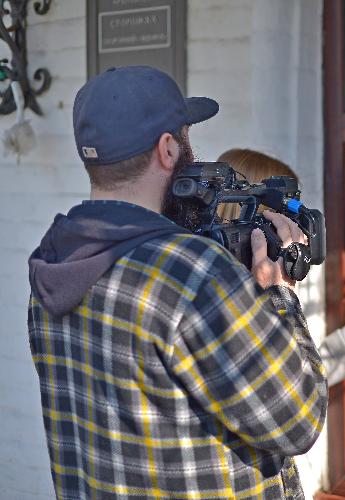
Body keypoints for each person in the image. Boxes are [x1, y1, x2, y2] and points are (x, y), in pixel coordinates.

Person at [27, 66, 326, 499]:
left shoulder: (53, 264)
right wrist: (280, 296)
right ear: (168, 148)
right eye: (186, 136)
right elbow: (298, 420)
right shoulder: (192, 271)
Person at [216, 148, 345, 386]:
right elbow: (289, 391)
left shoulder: (256, 283)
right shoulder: (223, 301)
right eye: (289, 216)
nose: (301, 234)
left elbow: (304, 377)